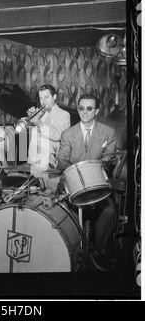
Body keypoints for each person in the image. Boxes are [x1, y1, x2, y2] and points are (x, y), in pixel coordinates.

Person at [56, 94, 118, 265]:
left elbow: (110, 161)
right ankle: (73, 248)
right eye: (81, 108)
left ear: (96, 111)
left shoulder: (108, 132)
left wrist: (105, 164)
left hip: (98, 187)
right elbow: (62, 160)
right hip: (73, 187)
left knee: (110, 211)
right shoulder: (68, 134)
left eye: (89, 108)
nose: (84, 112)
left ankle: (100, 249)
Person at [17, 84, 71, 193]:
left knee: (52, 200)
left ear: (54, 97)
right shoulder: (38, 114)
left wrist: (38, 123)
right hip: (34, 166)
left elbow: (57, 135)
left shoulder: (64, 115)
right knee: (35, 201)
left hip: (51, 168)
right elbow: (21, 131)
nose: (43, 101)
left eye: (46, 97)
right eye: (41, 98)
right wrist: (26, 121)